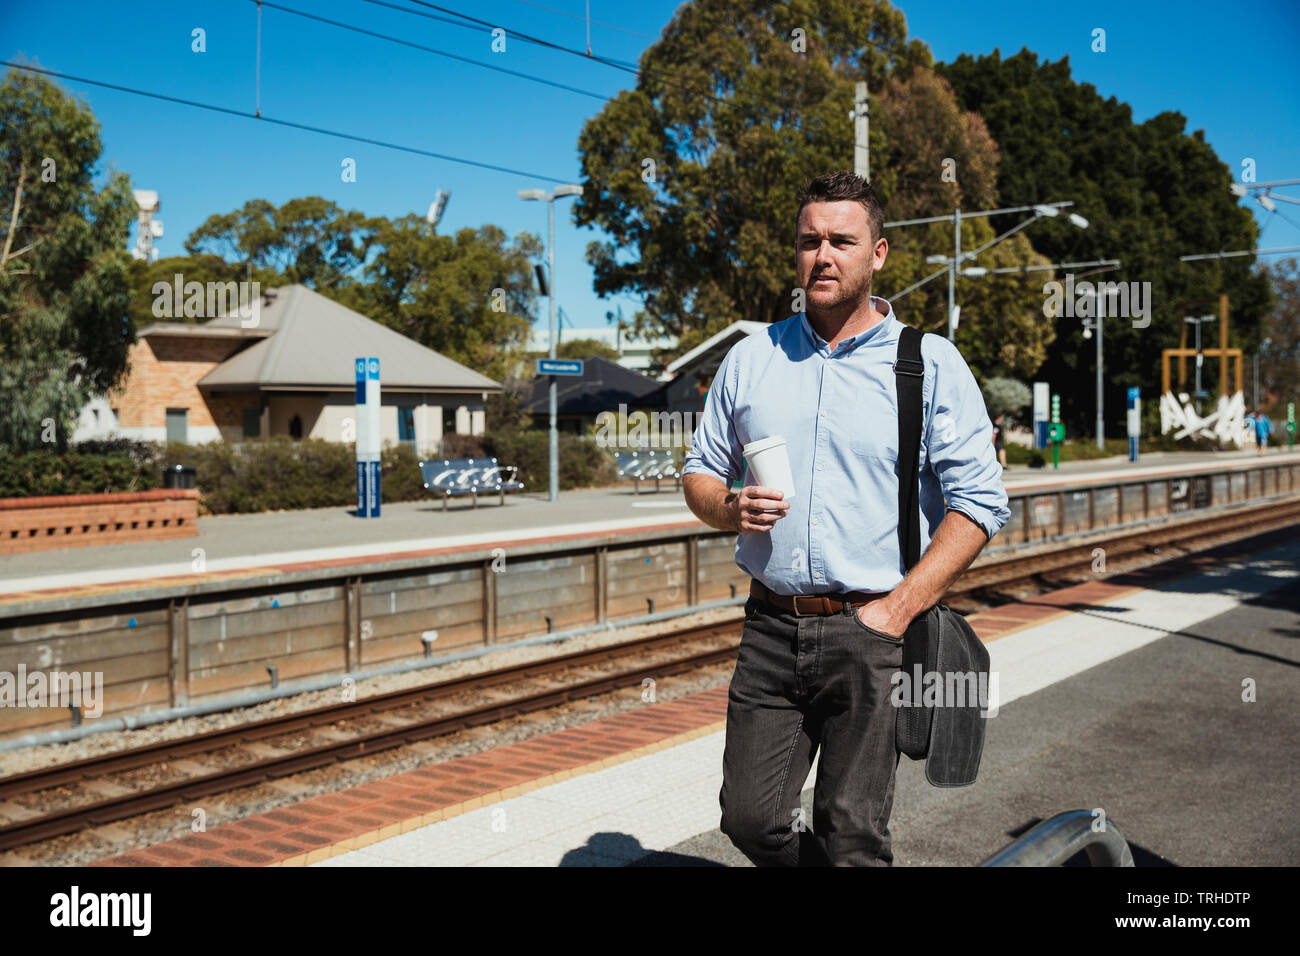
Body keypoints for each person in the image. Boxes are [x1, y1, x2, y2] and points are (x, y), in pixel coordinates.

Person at [682, 170, 1010, 866]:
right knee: (750, 819)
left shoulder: (928, 364)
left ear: (879, 253)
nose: (822, 255)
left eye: (841, 240)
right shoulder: (753, 358)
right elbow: (700, 473)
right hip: (771, 628)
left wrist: (897, 611)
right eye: (809, 241)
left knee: (852, 833)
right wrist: (729, 506)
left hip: (874, 636)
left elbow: (979, 504)